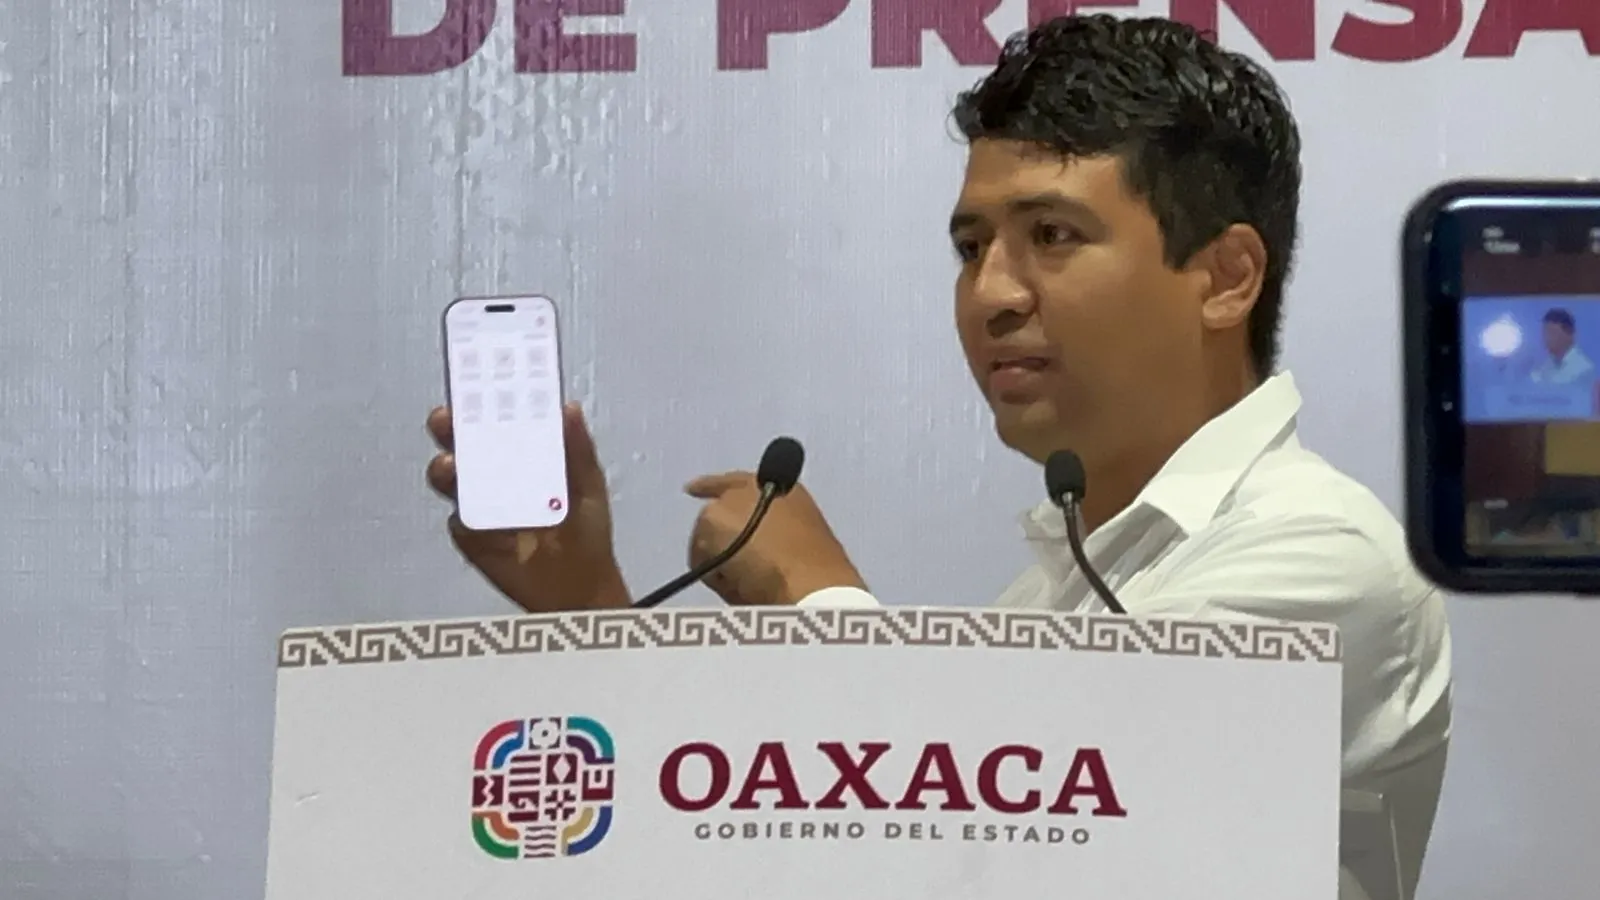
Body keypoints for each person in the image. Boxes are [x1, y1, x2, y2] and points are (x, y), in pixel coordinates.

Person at [426, 14, 1451, 895]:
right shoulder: (1053, 584)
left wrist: (814, 597)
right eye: (971, 248)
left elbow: (1010, 851)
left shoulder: (1317, 555)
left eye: (1052, 236)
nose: (991, 294)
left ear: (1225, 278)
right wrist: (588, 605)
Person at [1531, 307, 1595, 384]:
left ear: (1569, 334)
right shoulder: (1549, 363)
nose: (1546, 338)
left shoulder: (1583, 369)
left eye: (1552, 333)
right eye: (1545, 333)